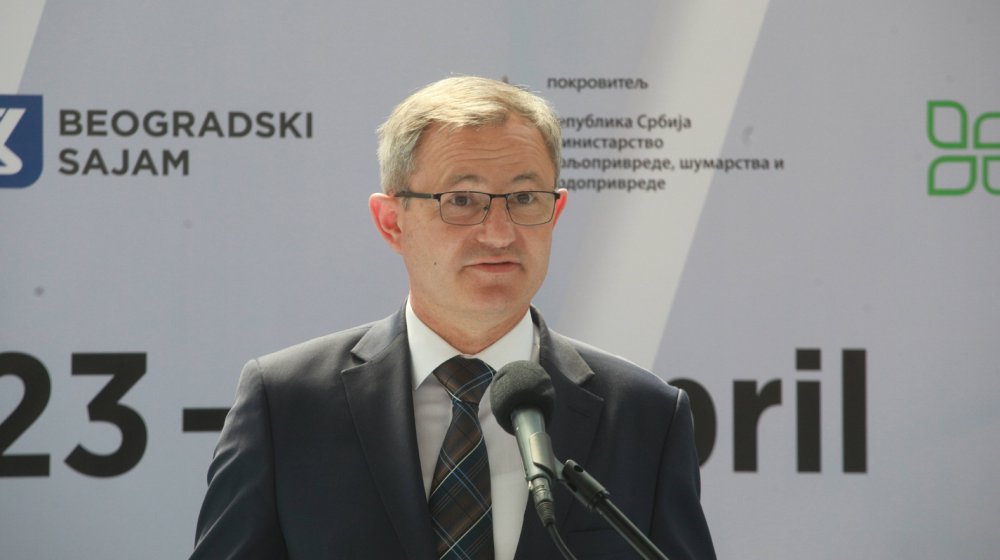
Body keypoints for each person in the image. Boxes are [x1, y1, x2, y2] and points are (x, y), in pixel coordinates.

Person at [191, 76, 716, 560]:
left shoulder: (646, 416)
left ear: (555, 212)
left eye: (524, 198)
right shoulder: (286, 404)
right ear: (392, 222)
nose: (499, 233)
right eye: (461, 200)